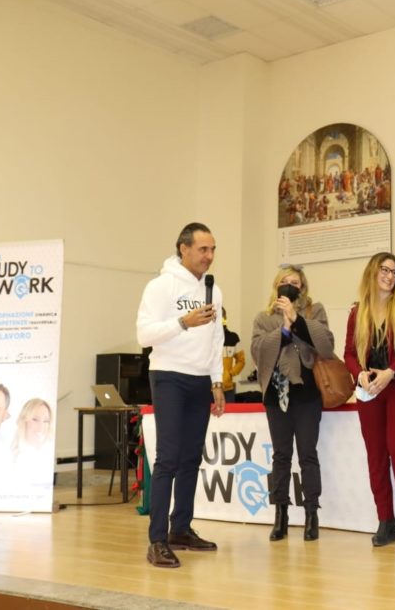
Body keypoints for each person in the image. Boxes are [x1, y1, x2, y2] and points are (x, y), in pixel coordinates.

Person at [136, 222, 225, 569]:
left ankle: (181, 529)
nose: (209, 256)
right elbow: (144, 334)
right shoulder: (161, 286)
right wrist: (183, 322)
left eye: (212, 249)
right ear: (183, 248)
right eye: (203, 249)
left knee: (190, 459)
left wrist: (217, 382)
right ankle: (157, 540)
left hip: (201, 379)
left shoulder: (213, 289)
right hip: (169, 376)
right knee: (168, 458)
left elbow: (216, 340)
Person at [343, 252, 395, 550]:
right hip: (369, 390)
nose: (390, 276)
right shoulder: (358, 312)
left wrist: (391, 372)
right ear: (372, 273)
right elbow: (349, 353)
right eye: (384, 270)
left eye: (394, 272)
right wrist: (359, 374)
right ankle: (385, 521)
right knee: (375, 454)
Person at [251, 265, 335, 542]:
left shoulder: (314, 310)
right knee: (281, 456)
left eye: (295, 283)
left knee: (308, 454)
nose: (290, 286)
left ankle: (312, 515)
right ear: (276, 286)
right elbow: (258, 351)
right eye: (285, 281)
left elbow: (326, 345)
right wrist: (285, 329)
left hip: (307, 394)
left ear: (303, 287)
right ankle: (281, 516)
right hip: (277, 395)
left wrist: (296, 318)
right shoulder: (264, 318)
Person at [11, 397, 55, 490]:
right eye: (35, 419)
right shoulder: (12, 455)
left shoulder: (48, 451)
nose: (41, 427)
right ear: (24, 420)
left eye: (46, 421)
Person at [221, 308, 246, 403]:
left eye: (221, 316)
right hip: (208, 389)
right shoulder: (206, 337)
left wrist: (230, 373)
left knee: (229, 413)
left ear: (225, 317)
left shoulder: (233, 337)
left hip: (228, 389)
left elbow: (241, 361)